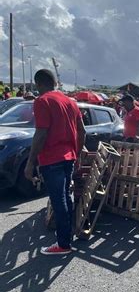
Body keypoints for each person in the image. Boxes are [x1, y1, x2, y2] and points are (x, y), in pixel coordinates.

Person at [24, 69, 86, 255]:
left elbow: (41, 133)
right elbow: (82, 132)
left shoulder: (42, 101)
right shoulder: (70, 101)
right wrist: (75, 153)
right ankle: (66, 238)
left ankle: (63, 244)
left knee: (59, 201)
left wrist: (30, 163)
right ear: (55, 83)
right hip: (68, 156)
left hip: (52, 159)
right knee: (66, 198)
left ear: (38, 84)